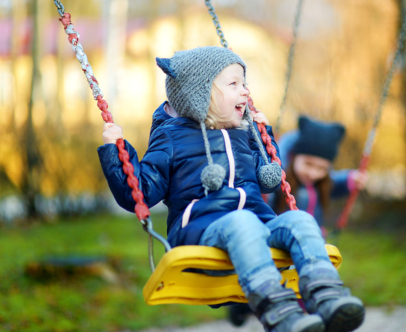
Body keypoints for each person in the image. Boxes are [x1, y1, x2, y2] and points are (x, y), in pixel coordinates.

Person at [98, 46, 364, 332]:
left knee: (300, 220)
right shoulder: (171, 137)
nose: (245, 92)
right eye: (234, 84)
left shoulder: (243, 134)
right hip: (201, 232)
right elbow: (140, 193)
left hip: (257, 224)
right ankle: (277, 310)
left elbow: (267, 179)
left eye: (244, 83)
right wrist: (117, 153)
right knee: (241, 221)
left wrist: (264, 138)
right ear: (200, 93)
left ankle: (326, 295)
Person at [228, 116, 368, 327]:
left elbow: (334, 184)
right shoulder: (279, 179)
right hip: (278, 241)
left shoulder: (319, 183)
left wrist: (350, 179)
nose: (314, 173)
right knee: (275, 284)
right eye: (308, 164)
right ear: (293, 157)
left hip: (308, 243)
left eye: (322, 168)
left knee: (304, 286)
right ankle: (242, 306)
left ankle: (311, 316)